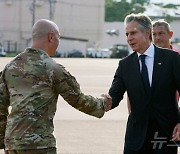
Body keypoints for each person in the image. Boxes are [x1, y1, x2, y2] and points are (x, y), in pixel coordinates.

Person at [0, 19, 112, 154]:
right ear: (51, 37)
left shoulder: (10, 67)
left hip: (13, 144)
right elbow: (77, 99)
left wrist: (5, 142)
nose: (58, 42)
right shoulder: (53, 69)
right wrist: (102, 104)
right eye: (59, 37)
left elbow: (1, 107)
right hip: (39, 144)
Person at [107, 13, 180, 153]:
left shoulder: (172, 59)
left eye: (133, 33)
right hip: (135, 139)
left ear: (147, 33)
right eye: (127, 34)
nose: (129, 38)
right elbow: (114, 96)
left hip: (164, 136)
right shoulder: (125, 65)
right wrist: (103, 101)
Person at [127, 19, 180, 114]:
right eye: (154, 34)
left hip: (172, 116)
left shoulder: (177, 57)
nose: (157, 38)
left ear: (170, 34)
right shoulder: (141, 58)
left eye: (161, 33)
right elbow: (132, 91)